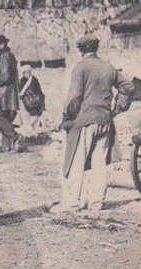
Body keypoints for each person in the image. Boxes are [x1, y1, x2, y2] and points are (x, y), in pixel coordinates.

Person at [53, 35, 134, 215]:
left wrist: (68, 118)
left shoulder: (81, 67)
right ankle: (96, 203)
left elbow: (74, 97)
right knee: (99, 164)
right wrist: (117, 108)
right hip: (105, 120)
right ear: (96, 48)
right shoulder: (108, 66)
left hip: (84, 121)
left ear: (81, 50)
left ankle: (72, 203)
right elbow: (128, 86)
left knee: (76, 161)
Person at [0, 34, 19, 151]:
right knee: (5, 118)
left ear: (1, 44)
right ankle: (6, 146)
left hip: (3, 92)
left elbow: (5, 76)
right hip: (9, 93)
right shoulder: (9, 55)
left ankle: (15, 136)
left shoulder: (4, 56)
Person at [18, 64, 46, 134]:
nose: (28, 74)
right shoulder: (22, 80)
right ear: (23, 73)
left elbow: (38, 90)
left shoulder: (34, 79)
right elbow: (20, 90)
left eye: (29, 72)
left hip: (35, 100)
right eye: (26, 72)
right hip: (26, 101)